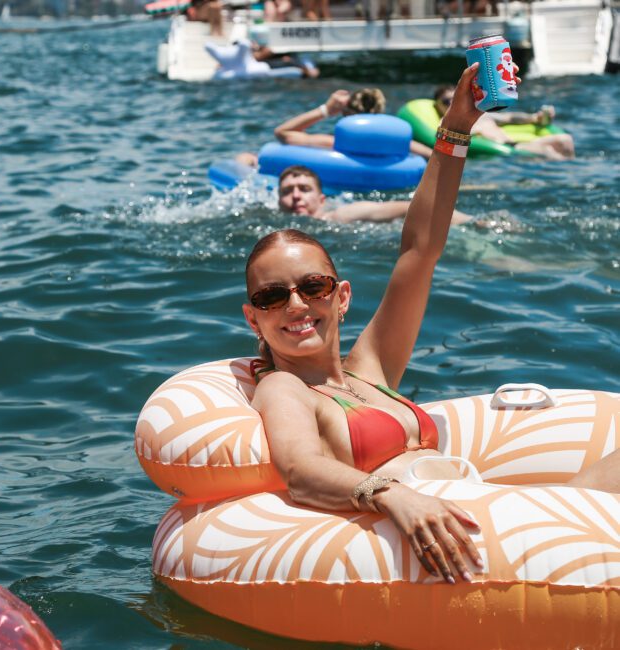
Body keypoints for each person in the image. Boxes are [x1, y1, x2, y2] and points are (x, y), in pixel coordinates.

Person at [241, 62, 619, 586]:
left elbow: (421, 249)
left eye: (312, 287)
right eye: (272, 296)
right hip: (464, 534)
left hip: (493, 512)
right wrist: (390, 495)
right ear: (253, 315)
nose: (296, 306)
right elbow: (301, 469)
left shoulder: (367, 370)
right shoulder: (285, 388)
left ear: (341, 296)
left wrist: (457, 124)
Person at [277, 164, 473, 225]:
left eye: (304, 189)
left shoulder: (342, 215)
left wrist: (470, 221)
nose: (295, 196)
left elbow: (410, 208)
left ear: (322, 199)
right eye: (287, 191)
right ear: (278, 200)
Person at [274, 88, 434, 159]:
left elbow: (282, 133)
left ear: (346, 115)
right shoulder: (402, 144)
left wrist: (326, 110)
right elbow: (434, 157)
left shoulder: (335, 144)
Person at [434, 84, 575, 160]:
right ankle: (571, 178)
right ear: (438, 105)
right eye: (446, 101)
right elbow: (444, 139)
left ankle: (572, 170)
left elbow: (510, 118)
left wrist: (535, 118)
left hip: (515, 145)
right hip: (504, 152)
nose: (452, 103)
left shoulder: (480, 115)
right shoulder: (446, 123)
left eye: (455, 98)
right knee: (547, 151)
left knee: (565, 139)